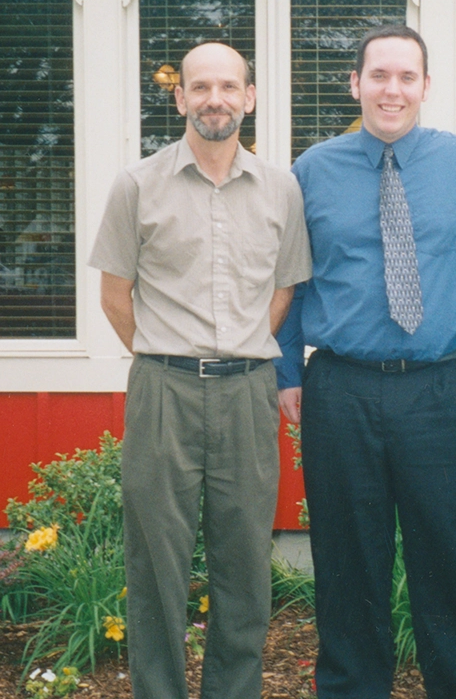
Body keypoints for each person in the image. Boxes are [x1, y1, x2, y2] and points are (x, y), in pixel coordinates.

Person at [275, 24, 456, 699]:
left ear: (426, 87)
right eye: (379, 75)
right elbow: (288, 278)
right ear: (356, 83)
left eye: (407, 77)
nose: (392, 89)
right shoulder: (312, 170)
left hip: (442, 390)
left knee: (450, 559)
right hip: (341, 390)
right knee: (347, 565)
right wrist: (288, 371)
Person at [89, 42, 311, 699]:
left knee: (243, 561)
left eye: (228, 86)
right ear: (180, 97)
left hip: (246, 391)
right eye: (200, 87)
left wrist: (235, 347)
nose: (215, 98)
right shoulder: (138, 185)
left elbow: (282, 291)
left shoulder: (281, 188)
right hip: (163, 390)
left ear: (249, 97)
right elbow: (114, 294)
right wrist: (167, 354)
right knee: (156, 561)